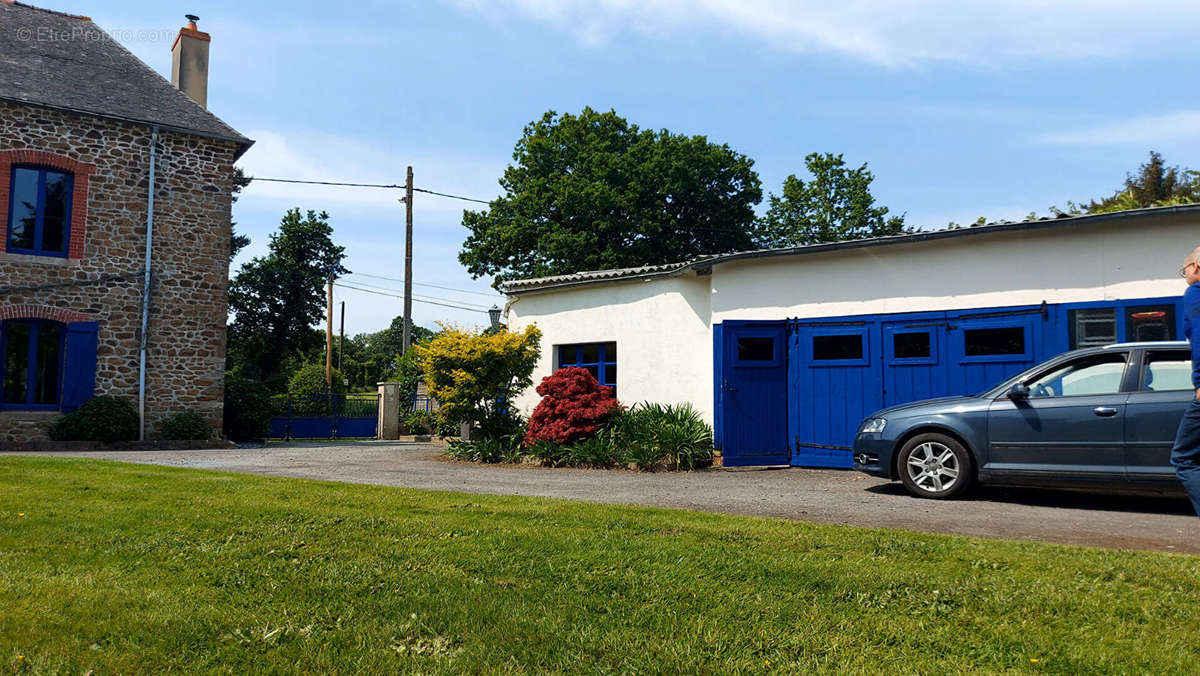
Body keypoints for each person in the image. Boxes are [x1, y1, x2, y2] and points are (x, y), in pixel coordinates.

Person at [1172, 246, 1200, 515]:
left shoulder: (1195, 293)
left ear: (1196, 267)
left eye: (1185, 270)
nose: (1185, 276)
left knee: (1184, 458)